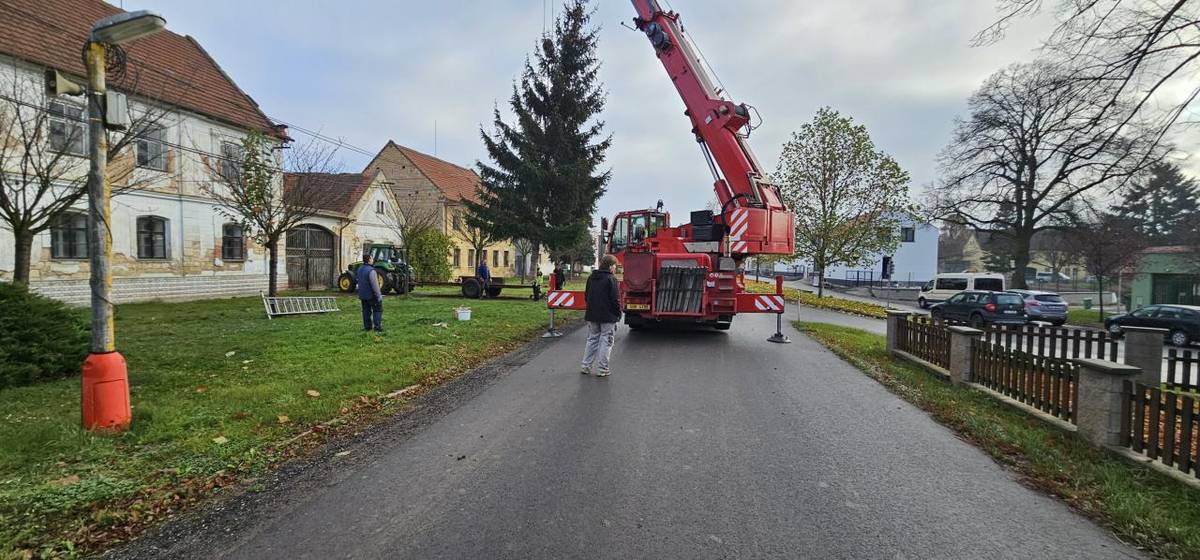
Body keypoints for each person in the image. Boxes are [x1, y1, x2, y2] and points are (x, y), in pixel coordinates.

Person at [581, 254, 621, 377]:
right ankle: (602, 369)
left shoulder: (591, 277)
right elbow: (615, 299)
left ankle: (586, 366)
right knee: (606, 341)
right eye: (615, 266)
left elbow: (587, 296)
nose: (615, 268)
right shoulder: (611, 279)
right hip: (607, 316)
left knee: (592, 340)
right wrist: (618, 313)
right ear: (610, 266)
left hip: (592, 314)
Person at [356, 253, 384, 332]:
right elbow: (375, 285)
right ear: (369, 260)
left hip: (362, 295)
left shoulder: (360, 269)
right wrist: (379, 296)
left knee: (366, 311)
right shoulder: (371, 271)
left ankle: (367, 327)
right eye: (371, 258)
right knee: (377, 310)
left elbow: (358, 281)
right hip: (371, 295)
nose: (373, 259)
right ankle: (377, 328)